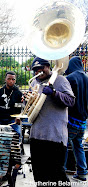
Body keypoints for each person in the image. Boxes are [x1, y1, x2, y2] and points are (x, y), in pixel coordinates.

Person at [28, 57, 75, 186]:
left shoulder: (60, 80)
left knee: (57, 175)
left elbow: (71, 101)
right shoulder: (34, 83)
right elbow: (31, 108)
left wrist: (54, 93)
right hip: (36, 135)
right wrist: (27, 101)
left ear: (48, 67)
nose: (39, 71)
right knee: (39, 175)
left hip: (55, 136)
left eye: (41, 68)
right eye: (35, 69)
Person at [64, 56, 88, 182]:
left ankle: (61, 173)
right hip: (83, 120)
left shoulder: (70, 78)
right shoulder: (86, 77)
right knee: (78, 145)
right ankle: (82, 172)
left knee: (64, 145)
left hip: (71, 119)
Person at [0, 71, 23, 136]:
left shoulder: (18, 93)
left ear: (15, 81)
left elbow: (19, 108)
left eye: (13, 79)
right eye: (9, 79)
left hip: (12, 119)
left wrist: (18, 117)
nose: (11, 81)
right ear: (5, 79)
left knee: (18, 134)